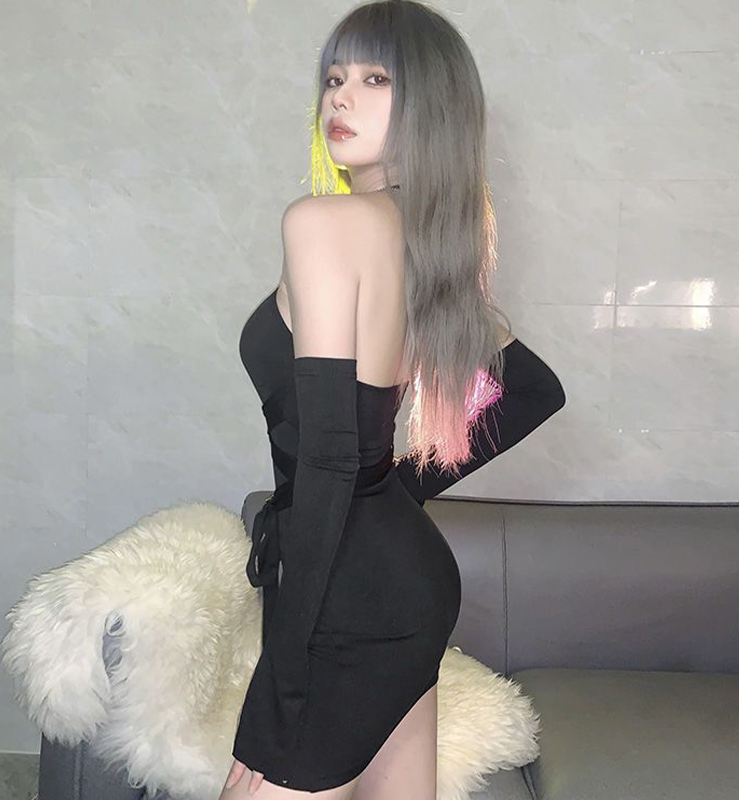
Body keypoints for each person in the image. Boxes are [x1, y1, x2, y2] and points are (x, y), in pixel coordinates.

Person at [220, 2, 566, 798]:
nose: (339, 97)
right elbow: (533, 391)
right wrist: (395, 489)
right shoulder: (429, 245)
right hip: (403, 581)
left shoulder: (325, 223)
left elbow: (330, 460)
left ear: (431, 103)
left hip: (349, 595)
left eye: (375, 79)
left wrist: (281, 684)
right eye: (334, 78)